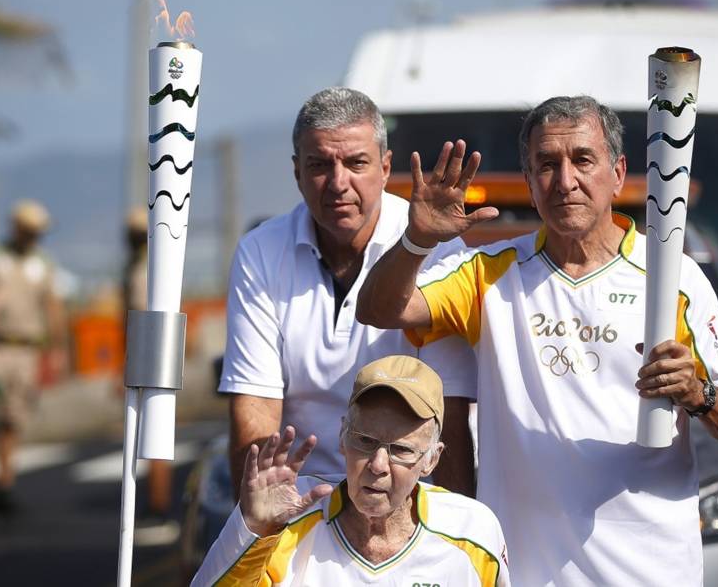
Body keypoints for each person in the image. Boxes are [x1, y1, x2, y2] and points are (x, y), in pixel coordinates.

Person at [357, 95, 718, 586]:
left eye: (582, 160)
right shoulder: (490, 275)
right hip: (531, 573)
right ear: (529, 183)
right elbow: (378, 309)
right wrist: (417, 240)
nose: (565, 181)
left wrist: (699, 394)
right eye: (546, 165)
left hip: (652, 570)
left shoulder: (673, 277)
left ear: (618, 173)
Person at [220, 87, 476, 496]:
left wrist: (458, 540)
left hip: (410, 501)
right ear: (296, 172)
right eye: (319, 164)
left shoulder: (437, 249)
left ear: (386, 167)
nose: (338, 184)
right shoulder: (261, 251)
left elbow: (450, 412)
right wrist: (257, 529)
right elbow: (254, 407)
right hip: (302, 498)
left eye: (356, 163)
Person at [193, 355, 509, 586]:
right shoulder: (287, 518)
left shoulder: (473, 532)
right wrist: (254, 529)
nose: (378, 465)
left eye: (401, 450)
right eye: (365, 441)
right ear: (343, 437)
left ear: (432, 459)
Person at [0, 199, 68, 513]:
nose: (33, 237)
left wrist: (55, 350)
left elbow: (52, 307)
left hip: (26, 349)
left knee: (13, 419)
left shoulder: (42, 264)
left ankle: (4, 483)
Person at [122, 208, 176, 543]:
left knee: (153, 432)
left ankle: (159, 504)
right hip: (149, 356)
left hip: (151, 357)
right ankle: (156, 502)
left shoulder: (146, 270)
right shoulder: (143, 267)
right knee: (147, 432)